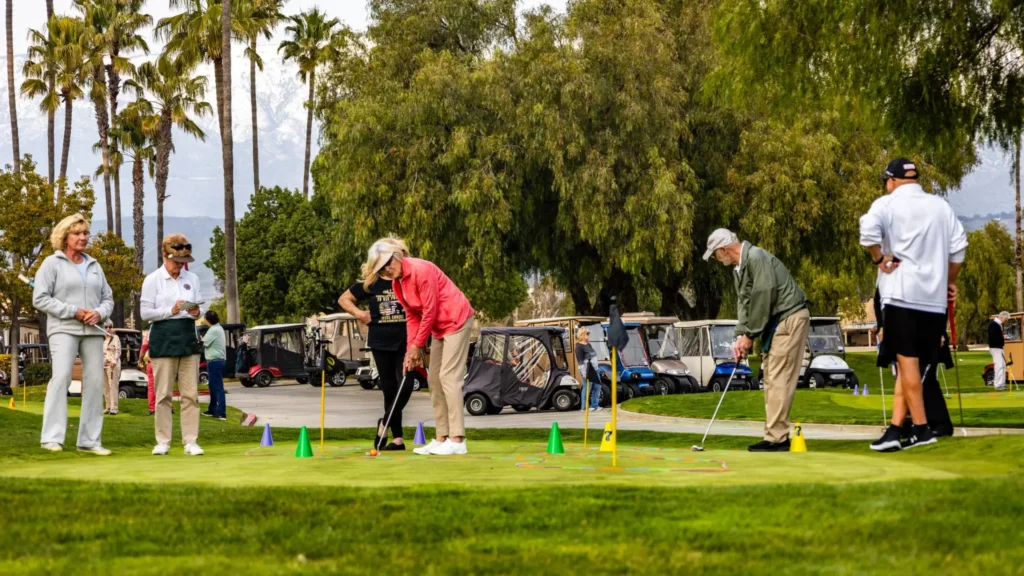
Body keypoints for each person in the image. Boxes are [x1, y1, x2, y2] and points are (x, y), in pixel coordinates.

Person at [860, 158, 967, 451]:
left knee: (907, 364)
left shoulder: (887, 204)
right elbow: (958, 249)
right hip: (933, 302)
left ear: (892, 181)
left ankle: (921, 429)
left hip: (901, 295)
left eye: (886, 181)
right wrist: (949, 282)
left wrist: (879, 259)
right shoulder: (940, 207)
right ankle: (895, 430)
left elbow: (867, 233)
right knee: (909, 366)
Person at [704, 228, 810, 452]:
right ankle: (775, 437)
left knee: (779, 377)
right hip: (777, 323)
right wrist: (740, 336)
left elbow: (764, 297)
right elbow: (745, 304)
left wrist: (750, 335)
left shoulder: (757, 258)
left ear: (723, 249)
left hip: (789, 317)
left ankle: (777, 439)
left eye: (715, 254)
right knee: (771, 377)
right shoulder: (739, 268)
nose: (715, 259)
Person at [371, 241, 475, 456]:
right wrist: (411, 350)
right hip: (439, 328)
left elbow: (430, 309)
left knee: (448, 377)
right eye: (382, 269)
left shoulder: (421, 269)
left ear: (397, 255)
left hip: (456, 319)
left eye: (388, 263)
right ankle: (441, 437)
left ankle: (457, 440)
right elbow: (412, 316)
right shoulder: (397, 285)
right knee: (433, 379)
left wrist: (418, 345)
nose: (387, 269)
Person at [32, 213, 114, 455]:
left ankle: (89, 441)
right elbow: (40, 298)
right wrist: (73, 311)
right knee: (62, 379)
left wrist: (100, 313)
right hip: (63, 329)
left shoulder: (95, 265)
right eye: (77, 233)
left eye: (86, 233)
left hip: (93, 331)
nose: (83, 237)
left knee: (95, 382)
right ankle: (51, 437)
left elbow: (107, 298)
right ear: (65, 236)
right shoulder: (51, 264)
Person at [339, 238, 413, 450]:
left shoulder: (407, 279)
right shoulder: (371, 282)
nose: (391, 265)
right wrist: (360, 314)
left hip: (407, 339)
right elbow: (344, 299)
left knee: (406, 383)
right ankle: (397, 438)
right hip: (380, 340)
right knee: (389, 389)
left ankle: (384, 423)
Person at [141, 234, 205, 456]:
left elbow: (199, 308)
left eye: (182, 262)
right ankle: (163, 441)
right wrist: (172, 310)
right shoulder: (152, 280)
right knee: (163, 395)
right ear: (164, 255)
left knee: (190, 394)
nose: (179, 266)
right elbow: (145, 312)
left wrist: (197, 311)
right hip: (163, 337)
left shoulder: (192, 279)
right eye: (175, 261)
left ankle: (190, 441)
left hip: (187, 337)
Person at [202, 310, 227, 421]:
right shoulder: (219, 328)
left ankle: (221, 412)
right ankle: (212, 409)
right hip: (218, 360)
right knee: (213, 387)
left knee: (218, 387)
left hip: (214, 361)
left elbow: (204, 342)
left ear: (208, 320)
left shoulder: (213, 330)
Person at [575, 327, 602, 411]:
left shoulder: (588, 345)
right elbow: (580, 361)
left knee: (597, 386)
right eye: (587, 333)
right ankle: (584, 407)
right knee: (587, 387)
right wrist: (583, 373)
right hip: (587, 369)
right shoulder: (579, 347)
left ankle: (595, 405)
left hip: (595, 369)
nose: (589, 335)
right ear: (582, 334)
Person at [102, 319, 122, 416]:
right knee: (105, 387)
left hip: (112, 366)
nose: (108, 329)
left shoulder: (115, 338)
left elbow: (118, 351)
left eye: (110, 327)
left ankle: (114, 408)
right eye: (106, 327)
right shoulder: (101, 339)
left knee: (112, 386)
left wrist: (114, 362)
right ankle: (108, 406)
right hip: (103, 365)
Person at [989, 311, 1009, 391]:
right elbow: (993, 337)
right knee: (999, 366)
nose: (1005, 321)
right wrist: (1002, 337)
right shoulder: (994, 325)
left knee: (1003, 365)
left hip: (999, 347)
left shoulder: (997, 325)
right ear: (1002, 317)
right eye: (1006, 319)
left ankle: (1002, 383)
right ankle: (998, 384)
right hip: (995, 348)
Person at [141, 330, 156, 416]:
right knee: (165, 385)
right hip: (165, 362)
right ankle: (168, 406)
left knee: (151, 387)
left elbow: (144, 346)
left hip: (152, 361)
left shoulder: (150, 332)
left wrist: (140, 359)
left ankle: (152, 408)